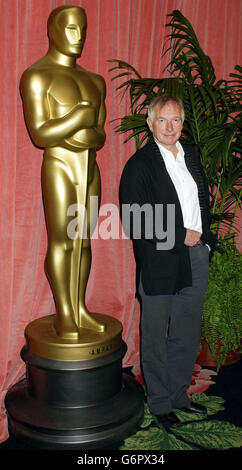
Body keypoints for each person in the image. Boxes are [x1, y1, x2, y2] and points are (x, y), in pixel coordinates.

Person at [119, 95, 216, 429]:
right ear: (150, 123)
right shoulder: (140, 165)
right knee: (156, 336)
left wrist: (205, 242)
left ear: (182, 123)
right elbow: (133, 219)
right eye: (163, 120)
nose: (170, 127)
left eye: (176, 120)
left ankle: (178, 397)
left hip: (195, 257)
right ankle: (160, 405)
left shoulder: (191, 157)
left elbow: (203, 203)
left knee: (186, 334)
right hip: (160, 260)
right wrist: (180, 234)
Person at [20, 5, 106, 340]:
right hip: (59, 165)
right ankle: (64, 313)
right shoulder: (38, 76)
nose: (79, 36)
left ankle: (80, 308)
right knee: (62, 241)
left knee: (84, 240)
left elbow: (99, 135)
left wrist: (81, 128)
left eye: (82, 29)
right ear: (53, 31)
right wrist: (78, 119)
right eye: (71, 29)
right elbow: (40, 133)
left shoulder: (94, 81)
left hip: (90, 168)